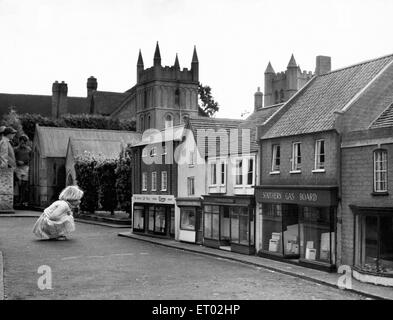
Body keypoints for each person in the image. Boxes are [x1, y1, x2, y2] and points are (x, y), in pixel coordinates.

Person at [14, 134, 32, 207]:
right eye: (21, 142)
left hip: (26, 168)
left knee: (24, 185)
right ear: (19, 141)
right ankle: (17, 201)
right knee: (18, 185)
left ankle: (23, 201)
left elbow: (31, 159)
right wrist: (17, 162)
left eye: (24, 142)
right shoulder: (15, 149)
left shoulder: (29, 150)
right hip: (17, 168)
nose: (23, 143)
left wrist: (24, 162)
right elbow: (12, 158)